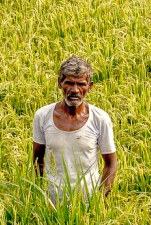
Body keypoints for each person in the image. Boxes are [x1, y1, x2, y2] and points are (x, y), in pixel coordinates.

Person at [32, 56, 118, 204]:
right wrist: (39, 196)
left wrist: (100, 201)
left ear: (90, 86)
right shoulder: (43, 116)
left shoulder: (100, 119)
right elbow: (37, 160)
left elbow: (111, 164)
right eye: (69, 83)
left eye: (81, 84)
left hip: (89, 202)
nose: (75, 90)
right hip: (52, 204)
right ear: (60, 83)